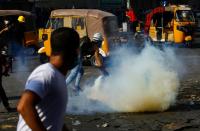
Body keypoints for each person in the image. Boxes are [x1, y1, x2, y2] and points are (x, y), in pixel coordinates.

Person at [17, 27, 80, 131]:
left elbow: (54, 119)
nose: (78, 54)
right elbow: (24, 106)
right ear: (71, 51)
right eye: (77, 50)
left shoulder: (58, 77)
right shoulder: (46, 73)